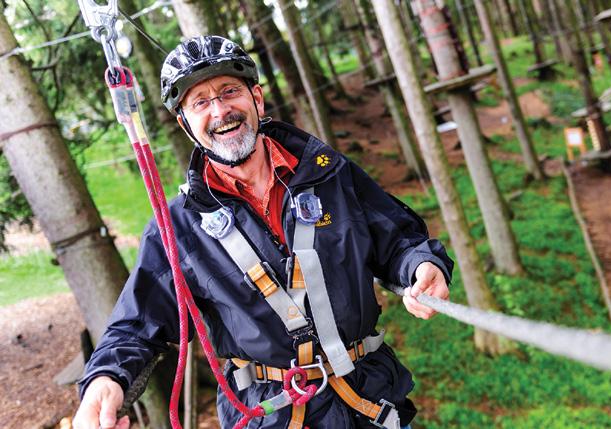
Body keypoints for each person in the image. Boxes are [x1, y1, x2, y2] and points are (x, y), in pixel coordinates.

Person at [73, 35, 453, 429]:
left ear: (257, 98)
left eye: (229, 91)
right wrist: (106, 380)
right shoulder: (178, 229)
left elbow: (399, 241)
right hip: (273, 415)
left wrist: (422, 265)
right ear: (185, 124)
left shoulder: (330, 174)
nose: (220, 111)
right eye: (200, 102)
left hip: (372, 404)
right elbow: (135, 324)